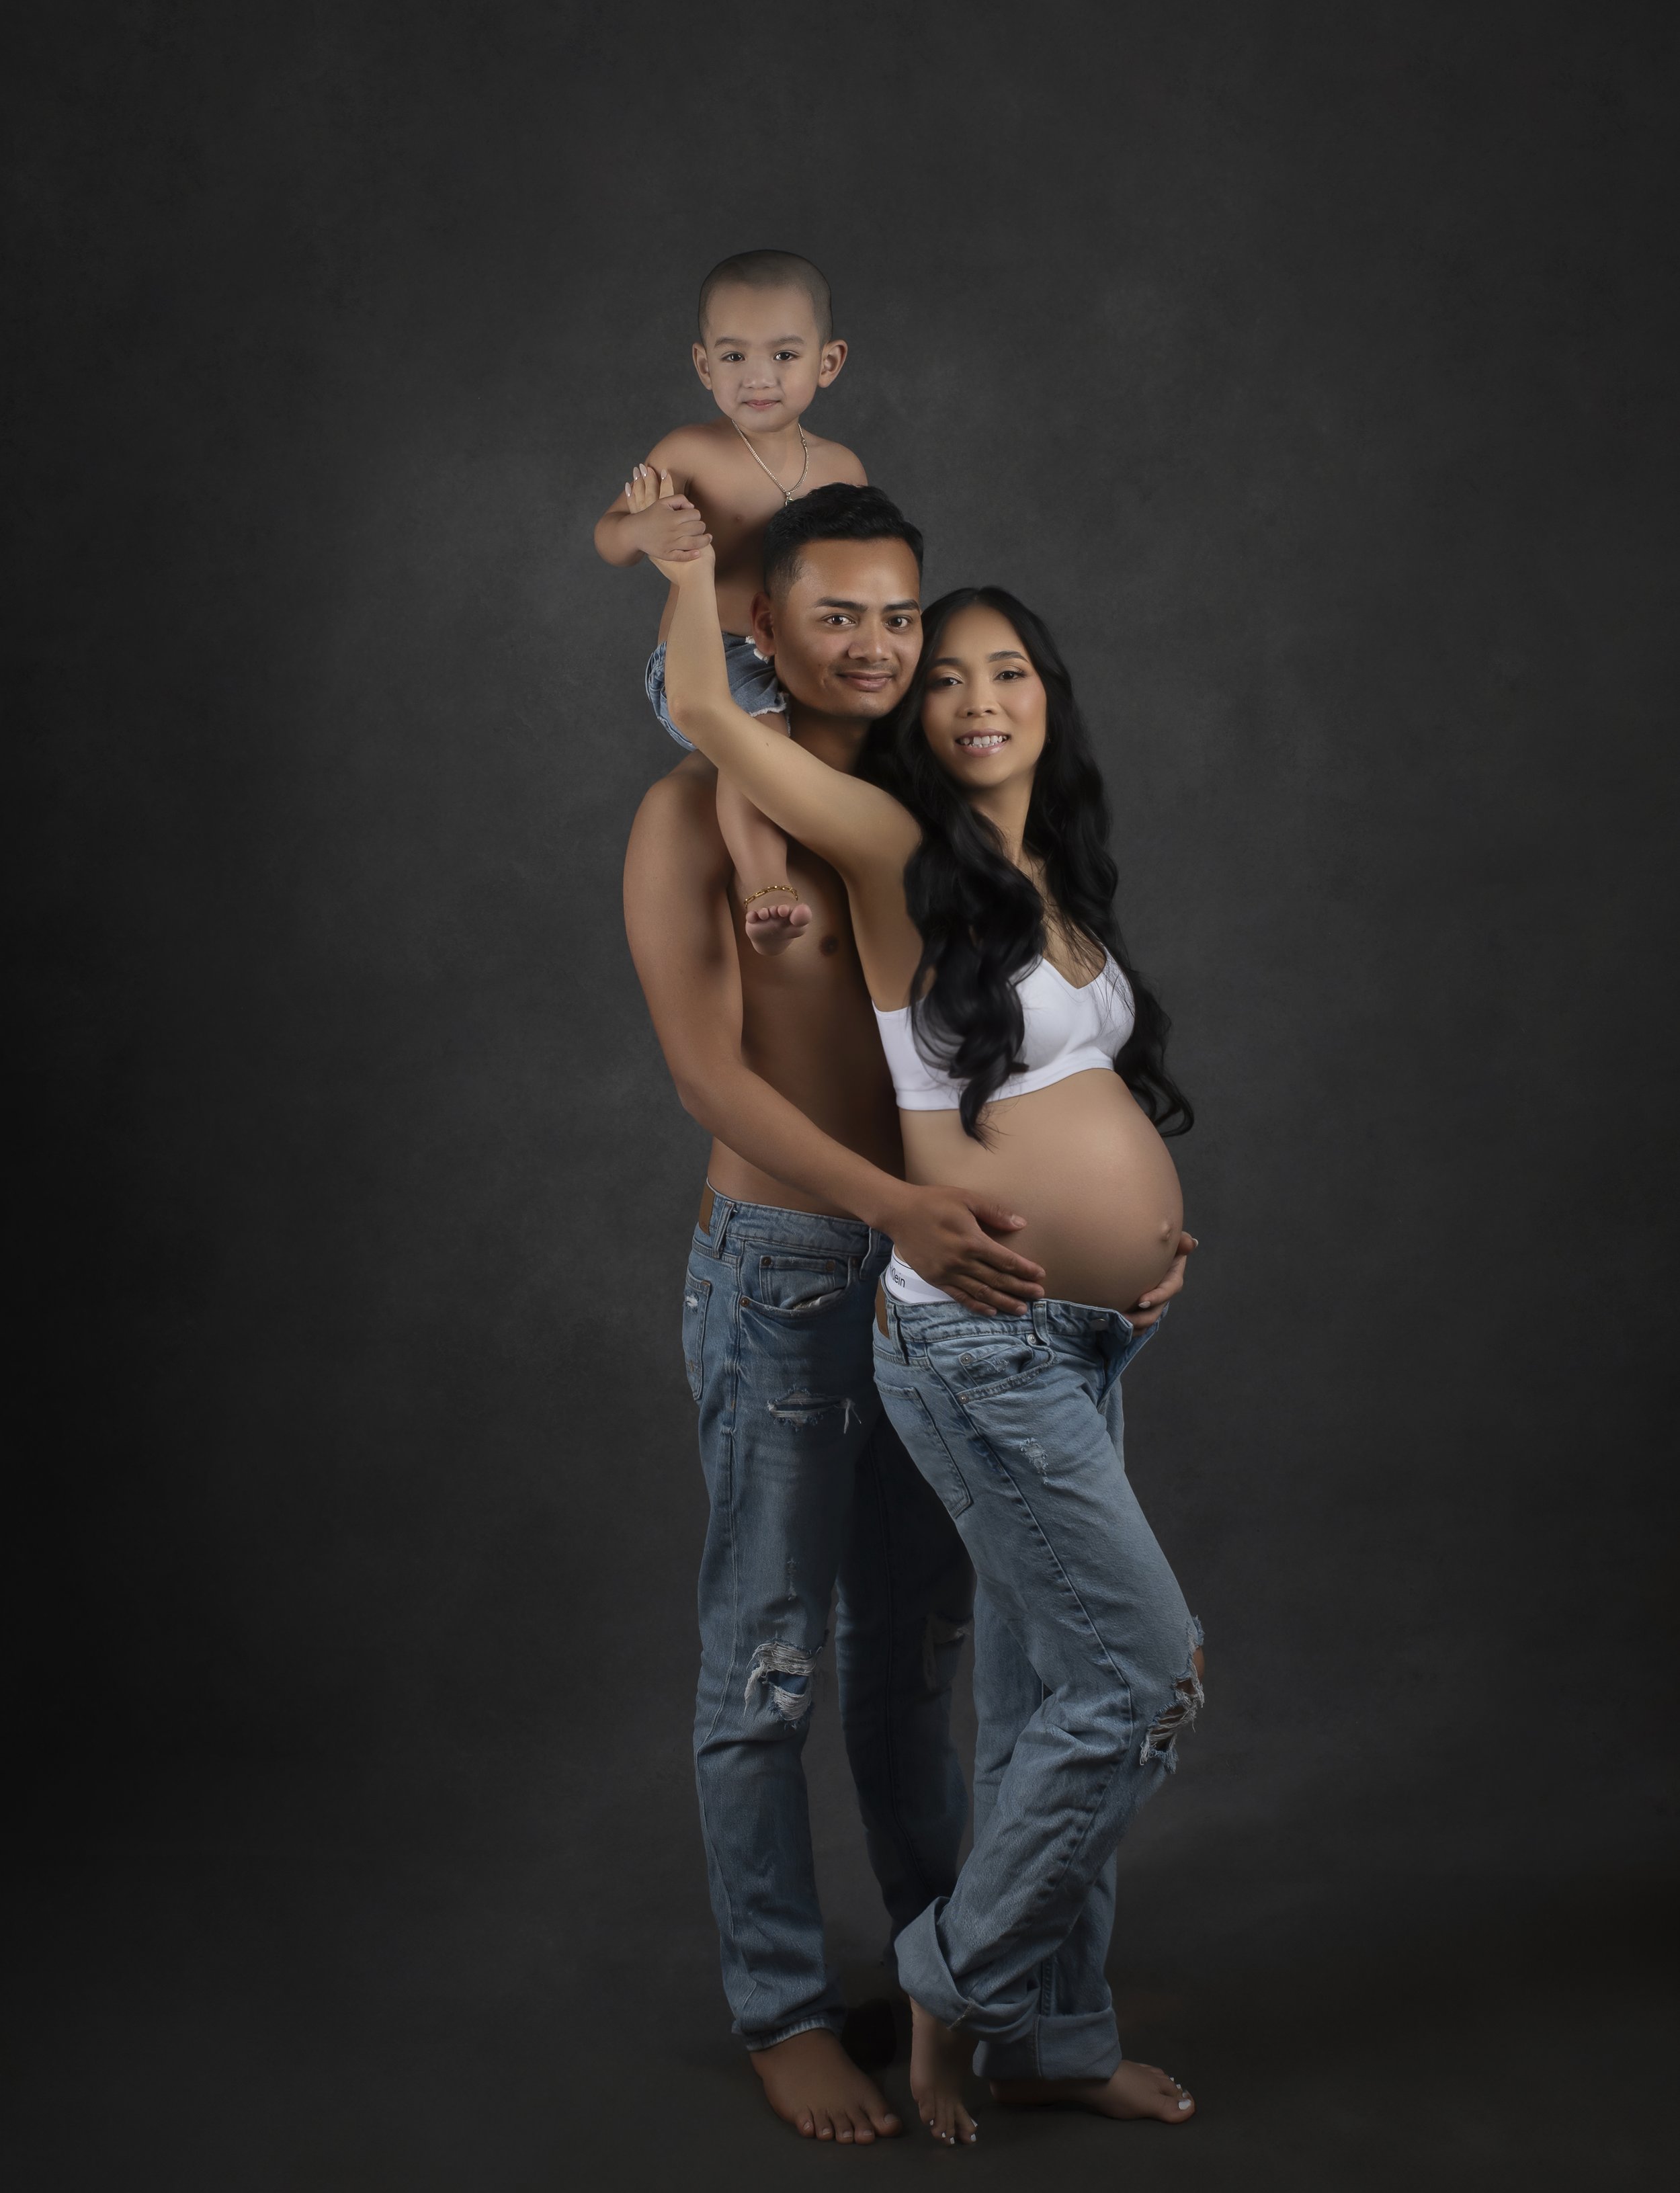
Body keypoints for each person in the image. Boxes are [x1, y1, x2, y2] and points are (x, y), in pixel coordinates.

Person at [622, 485, 1194, 2146]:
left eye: (903, 619)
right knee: (771, 1662)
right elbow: (702, 1071)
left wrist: (1110, 1231)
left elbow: (1022, 1064)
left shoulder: (931, 805)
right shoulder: (693, 814)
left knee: (926, 1656)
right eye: (840, 618)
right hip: (797, 1264)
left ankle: (975, 1982)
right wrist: (897, 1214)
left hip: (950, 1279)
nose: (879, 649)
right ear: (769, 627)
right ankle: (783, 2006)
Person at [599, 249, 866, 954]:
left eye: (784, 354)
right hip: (709, 664)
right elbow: (607, 537)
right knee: (764, 733)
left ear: (827, 363)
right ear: (703, 366)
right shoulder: (689, 451)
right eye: (734, 354)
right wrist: (640, 528)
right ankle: (764, 883)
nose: (758, 376)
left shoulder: (841, 467)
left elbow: (860, 571)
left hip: (801, 655)